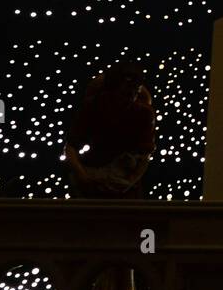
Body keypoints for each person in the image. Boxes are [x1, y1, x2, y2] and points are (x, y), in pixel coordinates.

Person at [64, 61, 156, 199]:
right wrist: (82, 176)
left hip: (124, 178)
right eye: (125, 92)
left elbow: (145, 155)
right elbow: (70, 148)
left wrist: (129, 182)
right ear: (111, 90)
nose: (130, 97)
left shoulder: (143, 113)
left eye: (135, 92)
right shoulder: (93, 106)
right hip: (93, 174)